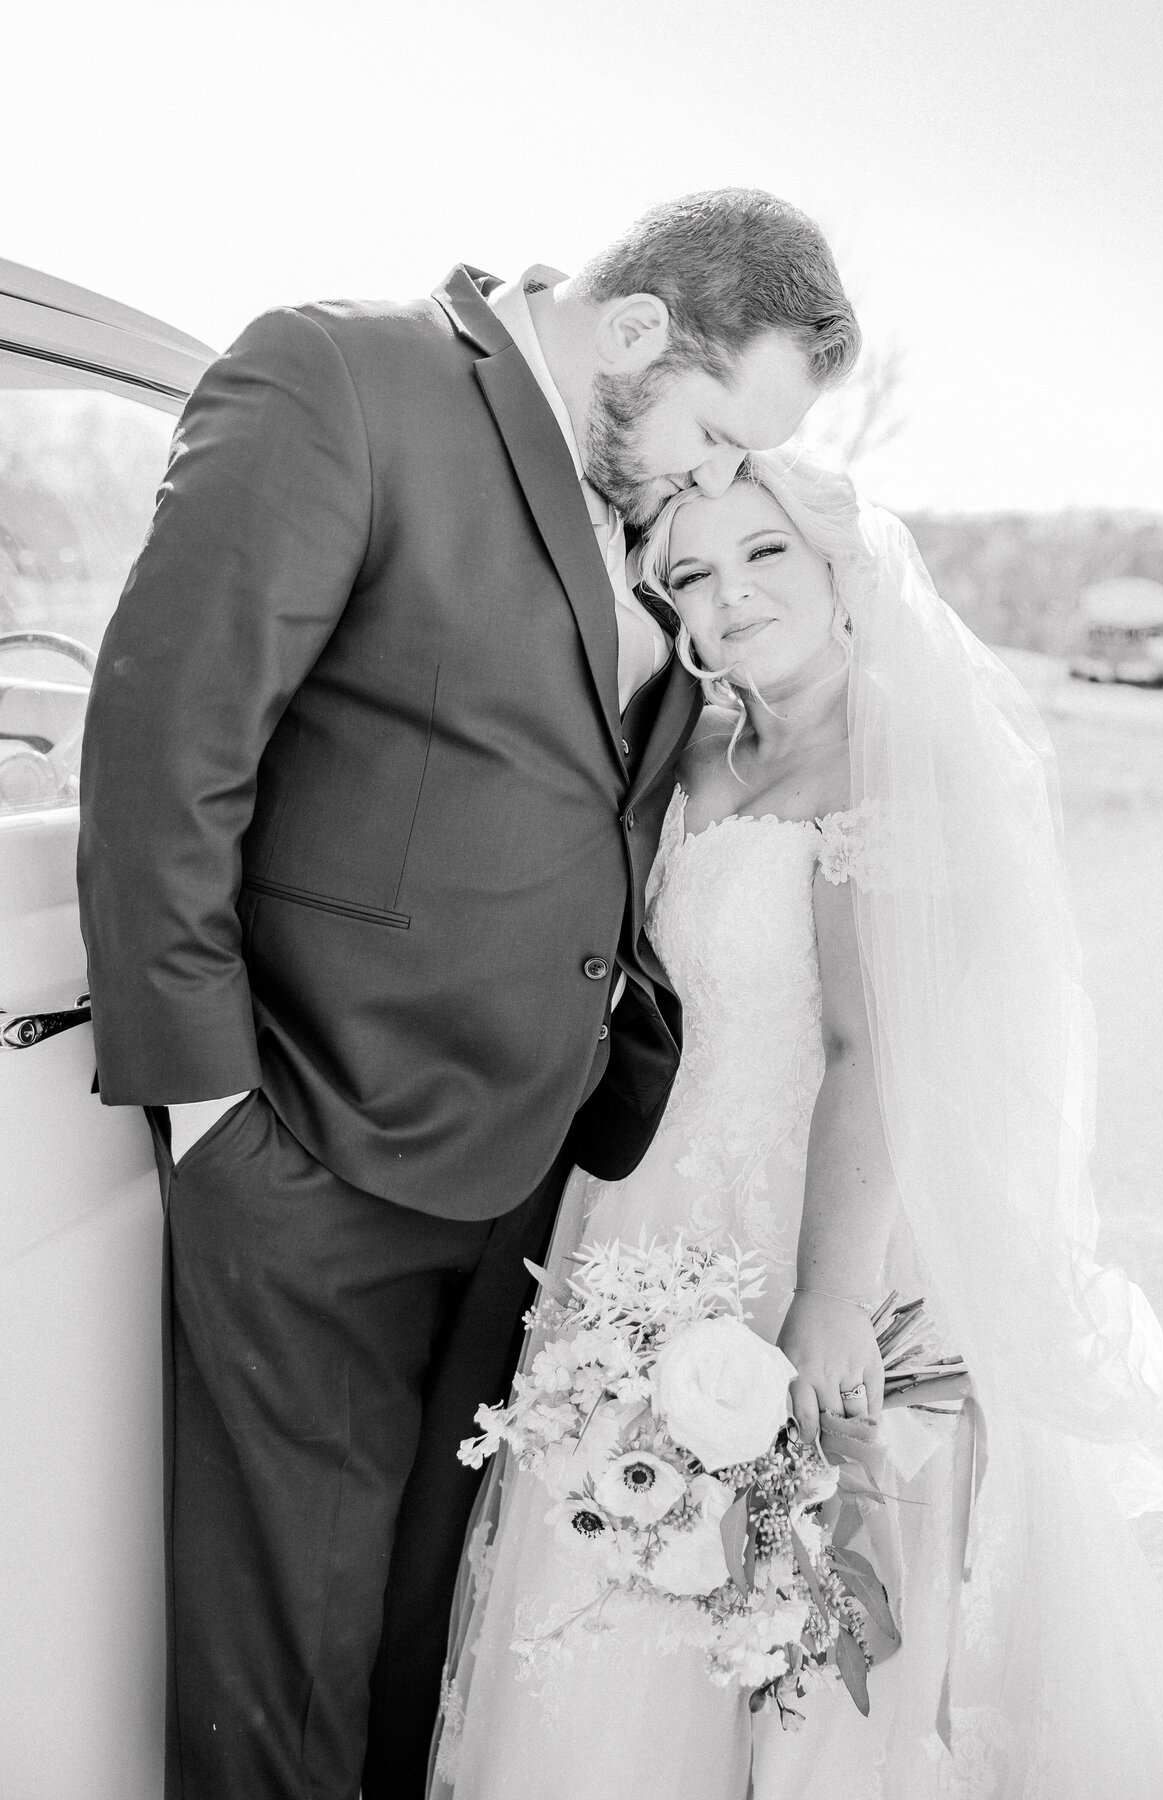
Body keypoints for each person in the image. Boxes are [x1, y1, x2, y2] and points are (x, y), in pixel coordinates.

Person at [75, 190, 860, 1799]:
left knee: (416, 1664)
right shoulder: (341, 379)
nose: (716, 479)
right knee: (281, 1674)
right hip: (308, 1147)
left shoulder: (626, 506)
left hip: (530, 1192)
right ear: (638, 330)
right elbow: (168, 742)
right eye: (718, 434)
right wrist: (212, 1106)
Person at [433, 454, 1163, 1798]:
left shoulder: (890, 761)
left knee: (780, 1614)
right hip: (645, 1227)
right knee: (622, 1571)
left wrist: (831, 1297)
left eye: (762, 555)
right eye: (689, 576)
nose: (726, 598)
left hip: (800, 1233)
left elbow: (873, 1052)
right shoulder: (704, 741)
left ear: (841, 563)